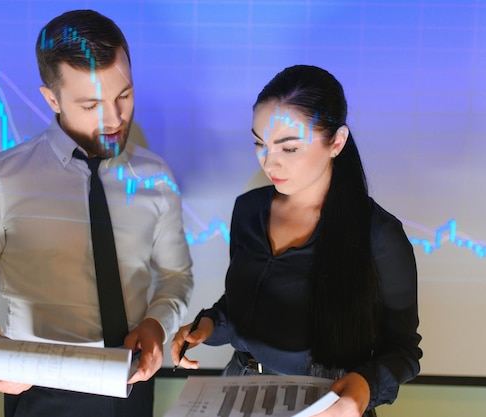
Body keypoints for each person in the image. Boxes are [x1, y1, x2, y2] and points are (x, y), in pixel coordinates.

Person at [0, 9, 194, 417]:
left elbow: (177, 276)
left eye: (124, 95)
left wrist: (157, 324)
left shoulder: (156, 177)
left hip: (135, 388)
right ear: (51, 98)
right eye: (91, 104)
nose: (114, 119)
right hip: (40, 393)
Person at [170, 65, 421, 417]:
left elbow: (404, 351)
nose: (269, 162)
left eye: (288, 149)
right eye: (259, 143)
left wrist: (364, 388)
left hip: (324, 402)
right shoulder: (248, 209)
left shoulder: (379, 236)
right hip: (239, 388)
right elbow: (244, 303)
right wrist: (208, 325)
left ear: (337, 142)